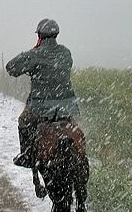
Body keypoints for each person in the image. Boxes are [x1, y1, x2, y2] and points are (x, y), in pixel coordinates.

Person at [5, 18, 81, 169]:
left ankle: (26, 155)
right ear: (56, 35)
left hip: (41, 107)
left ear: (39, 35)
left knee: (24, 121)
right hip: (66, 106)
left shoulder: (34, 55)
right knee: (74, 130)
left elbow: (10, 67)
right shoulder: (66, 52)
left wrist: (31, 62)